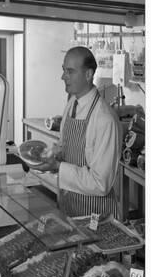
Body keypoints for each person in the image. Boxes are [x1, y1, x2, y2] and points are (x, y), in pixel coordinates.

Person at [35, 46, 120, 218]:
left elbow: (100, 183)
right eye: (63, 70)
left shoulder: (105, 119)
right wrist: (52, 159)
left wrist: (59, 167)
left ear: (88, 75)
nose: (63, 77)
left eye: (70, 71)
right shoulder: (72, 104)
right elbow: (67, 151)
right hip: (68, 207)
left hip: (95, 216)